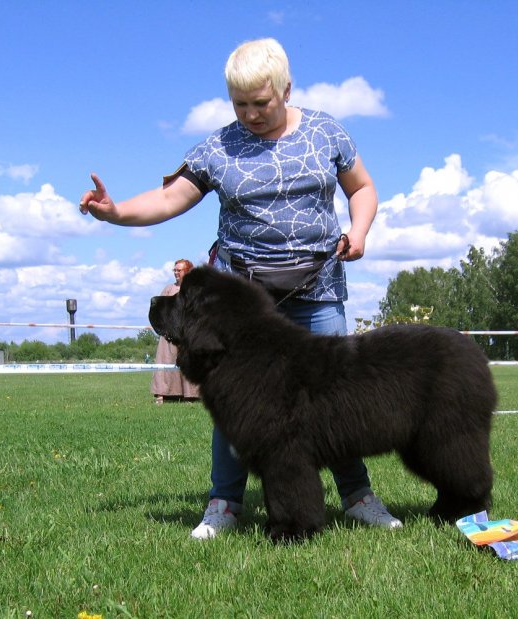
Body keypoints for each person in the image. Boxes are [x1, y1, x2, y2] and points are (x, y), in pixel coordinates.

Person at [80, 37, 401, 539]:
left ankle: (357, 496)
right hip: (243, 301)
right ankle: (225, 504)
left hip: (317, 290)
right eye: (240, 104)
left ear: (285, 89)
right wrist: (116, 212)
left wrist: (358, 231)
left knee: (336, 401)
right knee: (236, 402)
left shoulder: (325, 132)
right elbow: (169, 199)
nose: (250, 113)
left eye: (261, 102)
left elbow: (362, 188)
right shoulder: (219, 146)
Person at [150, 259, 200, 403]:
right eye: (175, 270)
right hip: (170, 333)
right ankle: (161, 394)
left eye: (179, 270)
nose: (176, 273)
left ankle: (189, 395)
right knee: (165, 359)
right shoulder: (168, 289)